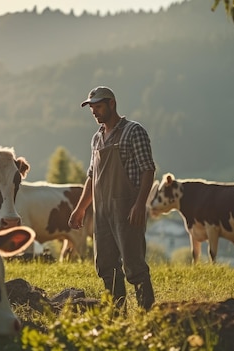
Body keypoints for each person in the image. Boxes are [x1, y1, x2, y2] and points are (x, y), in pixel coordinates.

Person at [68, 86, 156, 311]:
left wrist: (139, 204)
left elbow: (148, 170)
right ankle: (117, 314)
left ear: (112, 104)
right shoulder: (96, 138)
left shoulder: (133, 131)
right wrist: (80, 210)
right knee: (106, 265)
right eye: (92, 108)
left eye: (98, 107)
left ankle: (148, 314)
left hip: (127, 209)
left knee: (134, 264)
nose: (95, 112)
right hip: (102, 212)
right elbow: (91, 176)